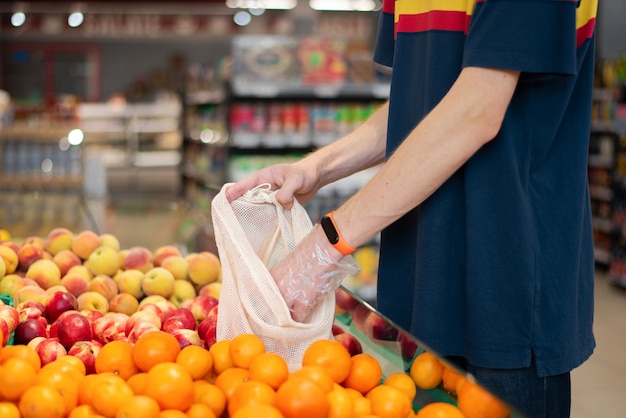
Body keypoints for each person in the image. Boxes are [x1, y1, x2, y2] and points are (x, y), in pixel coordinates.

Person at [226, 1, 598, 416]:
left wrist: (327, 243)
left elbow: (478, 107)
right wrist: (316, 167)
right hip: (420, 278)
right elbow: (419, 102)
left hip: (505, 278)